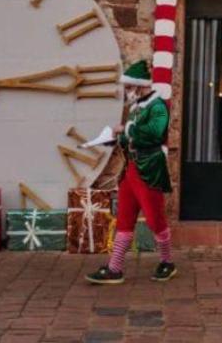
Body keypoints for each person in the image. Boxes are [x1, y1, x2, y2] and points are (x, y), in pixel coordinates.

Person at [86, 60, 176, 285]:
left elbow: (155, 133)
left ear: (138, 85)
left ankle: (167, 261)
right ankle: (115, 267)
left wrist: (125, 129)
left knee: (156, 220)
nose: (126, 92)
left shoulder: (157, 106)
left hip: (149, 170)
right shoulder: (138, 108)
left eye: (128, 87)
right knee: (124, 219)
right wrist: (116, 138)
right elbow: (132, 137)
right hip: (131, 169)